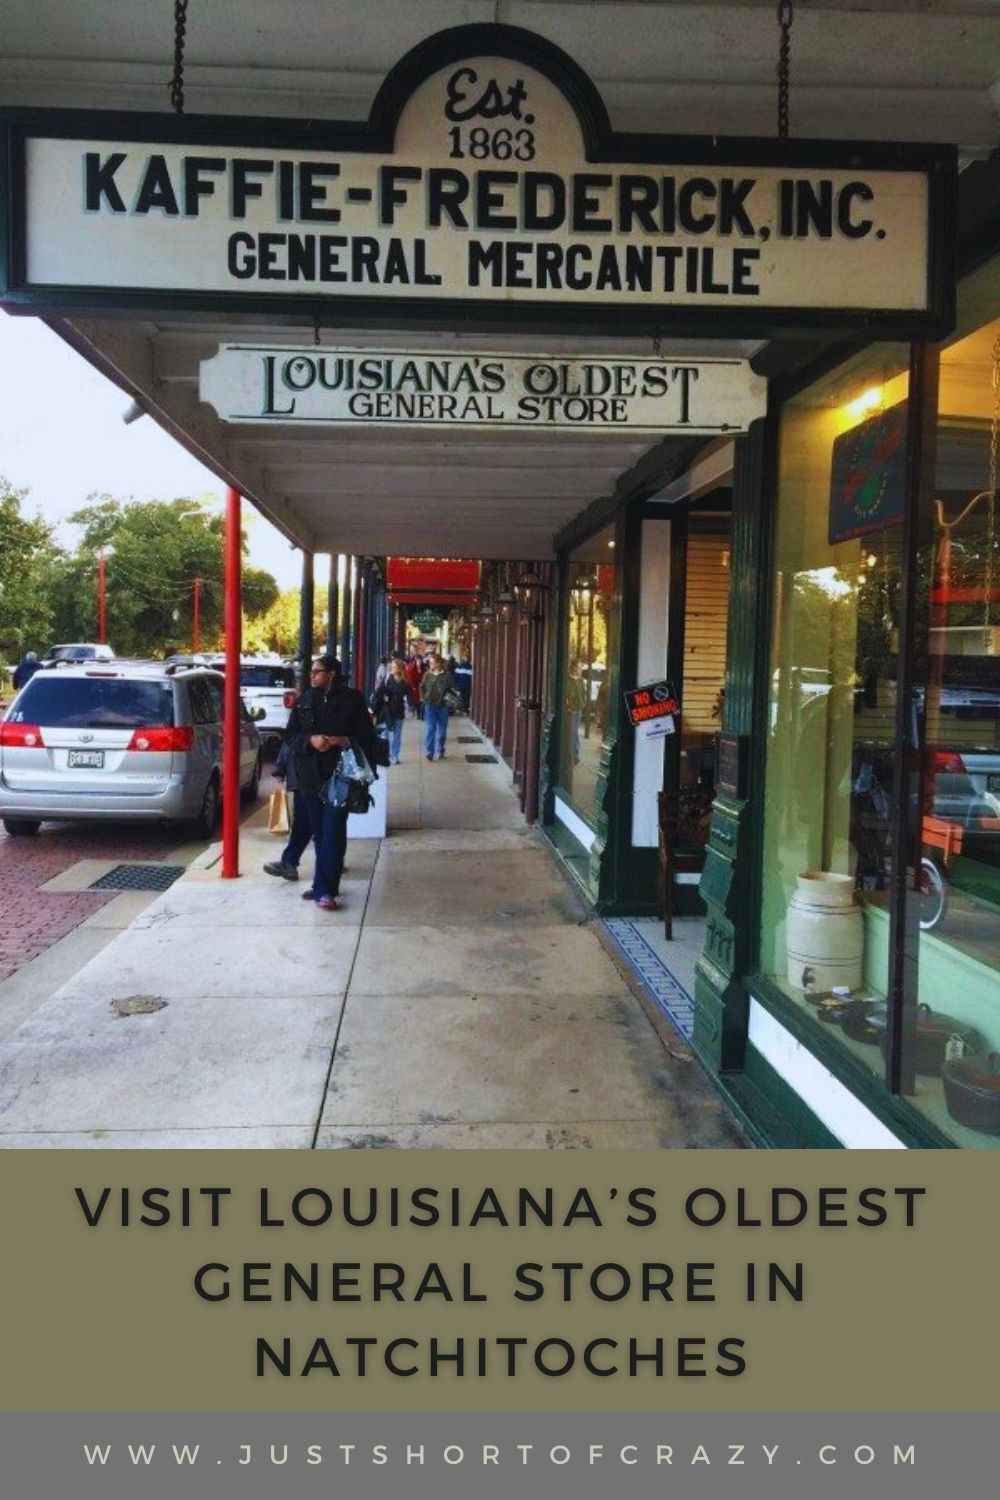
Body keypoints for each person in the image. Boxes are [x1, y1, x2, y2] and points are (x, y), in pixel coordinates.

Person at [263, 654, 377, 911]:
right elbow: (291, 735)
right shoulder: (305, 700)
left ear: (332, 674)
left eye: (317, 671)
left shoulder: (352, 700)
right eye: (311, 672)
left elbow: (368, 737)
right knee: (320, 834)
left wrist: (342, 740)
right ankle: (320, 885)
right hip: (309, 778)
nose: (312, 675)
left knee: (333, 833)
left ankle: (326, 891)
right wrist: (310, 740)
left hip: (340, 777)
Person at [370, 656, 409, 764]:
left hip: (399, 711)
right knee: (386, 734)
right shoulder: (387, 678)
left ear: (400, 668)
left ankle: (394, 756)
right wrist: (373, 704)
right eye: (391, 667)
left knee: (397, 735)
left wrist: (411, 706)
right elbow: (378, 691)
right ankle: (385, 755)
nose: (392, 669)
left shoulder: (404, 681)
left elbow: (407, 694)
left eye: (394, 667)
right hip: (387, 711)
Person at [421, 652, 454, 761]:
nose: (430, 665)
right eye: (430, 663)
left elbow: (452, 689)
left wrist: (450, 697)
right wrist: (424, 698)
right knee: (431, 728)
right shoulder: (427, 675)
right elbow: (423, 687)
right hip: (429, 705)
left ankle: (440, 750)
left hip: (443, 706)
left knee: (442, 731)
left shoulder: (447, 675)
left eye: (432, 663)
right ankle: (430, 752)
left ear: (439, 663)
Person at [565, 660, 587, 765]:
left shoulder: (581, 680)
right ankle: (573, 755)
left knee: (575, 732)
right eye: (578, 667)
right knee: (571, 733)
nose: (580, 669)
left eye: (580, 667)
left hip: (578, 709)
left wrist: (583, 703)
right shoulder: (567, 680)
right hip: (570, 710)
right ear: (573, 667)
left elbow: (584, 693)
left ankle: (575, 754)